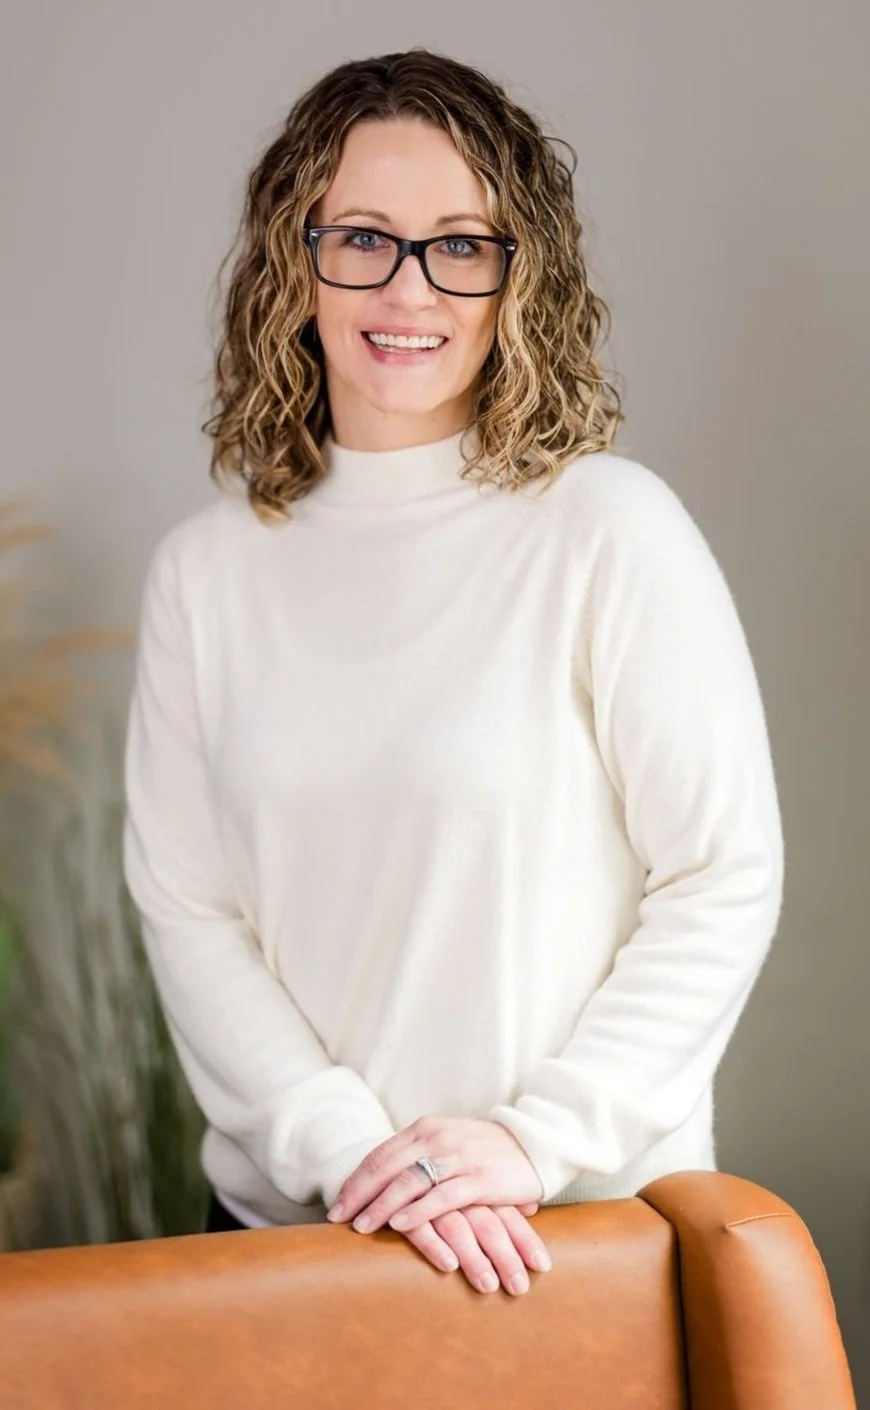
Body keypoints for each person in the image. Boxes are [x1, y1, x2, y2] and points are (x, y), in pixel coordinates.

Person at [122, 47, 784, 1299]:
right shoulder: (203, 573)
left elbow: (720, 875)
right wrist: (353, 1156)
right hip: (289, 1246)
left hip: (565, 1245)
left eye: (461, 245)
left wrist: (536, 1139)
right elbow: (189, 911)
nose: (407, 286)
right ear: (293, 261)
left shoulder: (608, 529)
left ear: (517, 275)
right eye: (363, 237)